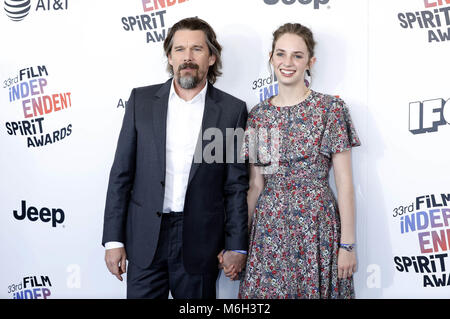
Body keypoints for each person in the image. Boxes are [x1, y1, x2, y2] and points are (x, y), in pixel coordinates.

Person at [101, 17, 248, 299]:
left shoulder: (232, 111)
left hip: (201, 242)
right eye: (179, 49)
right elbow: (121, 174)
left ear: (212, 57)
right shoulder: (140, 102)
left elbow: (235, 186)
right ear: (169, 57)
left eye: (197, 49)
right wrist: (113, 239)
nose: (187, 57)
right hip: (145, 239)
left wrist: (237, 246)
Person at [235, 23, 361, 298]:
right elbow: (255, 185)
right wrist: (237, 241)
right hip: (268, 230)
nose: (287, 63)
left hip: (317, 227)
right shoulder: (258, 115)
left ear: (310, 62)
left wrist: (348, 245)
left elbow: (345, 184)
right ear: (271, 58)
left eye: (297, 55)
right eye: (280, 54)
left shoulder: (330, 109)